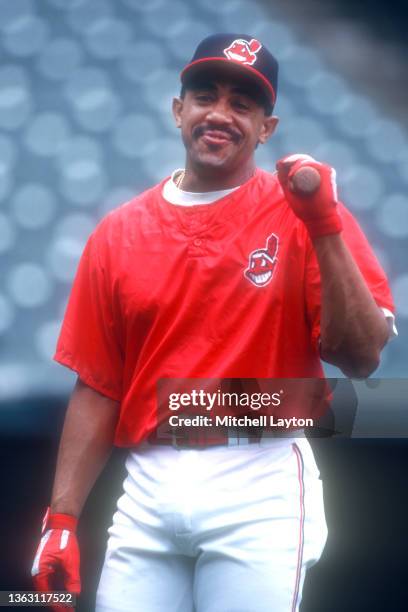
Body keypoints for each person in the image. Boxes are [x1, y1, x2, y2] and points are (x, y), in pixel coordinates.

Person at [31, 33, 395, 612]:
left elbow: (362, 357)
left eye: (242, 104)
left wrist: (323, 224)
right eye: (205, 96)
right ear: (180, 111)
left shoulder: (302, 212)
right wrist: (62, 518)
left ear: (266, 128)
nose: (220, 114)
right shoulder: (117, 233)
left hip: (259, 480)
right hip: (147, 486)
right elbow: (99, 384)